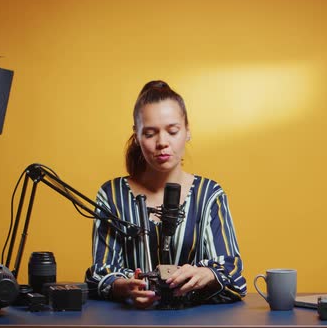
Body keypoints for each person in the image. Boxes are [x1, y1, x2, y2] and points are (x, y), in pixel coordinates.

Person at [85, 80, 246, 308]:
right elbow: (102, 272)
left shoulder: (210, 194)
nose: (162, 142)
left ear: (187, 131)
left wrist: (206, 275)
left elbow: (233, 276)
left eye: (172, 131)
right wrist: (125, 287)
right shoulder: (111, 195)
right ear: (137, 135)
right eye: (150, 134)